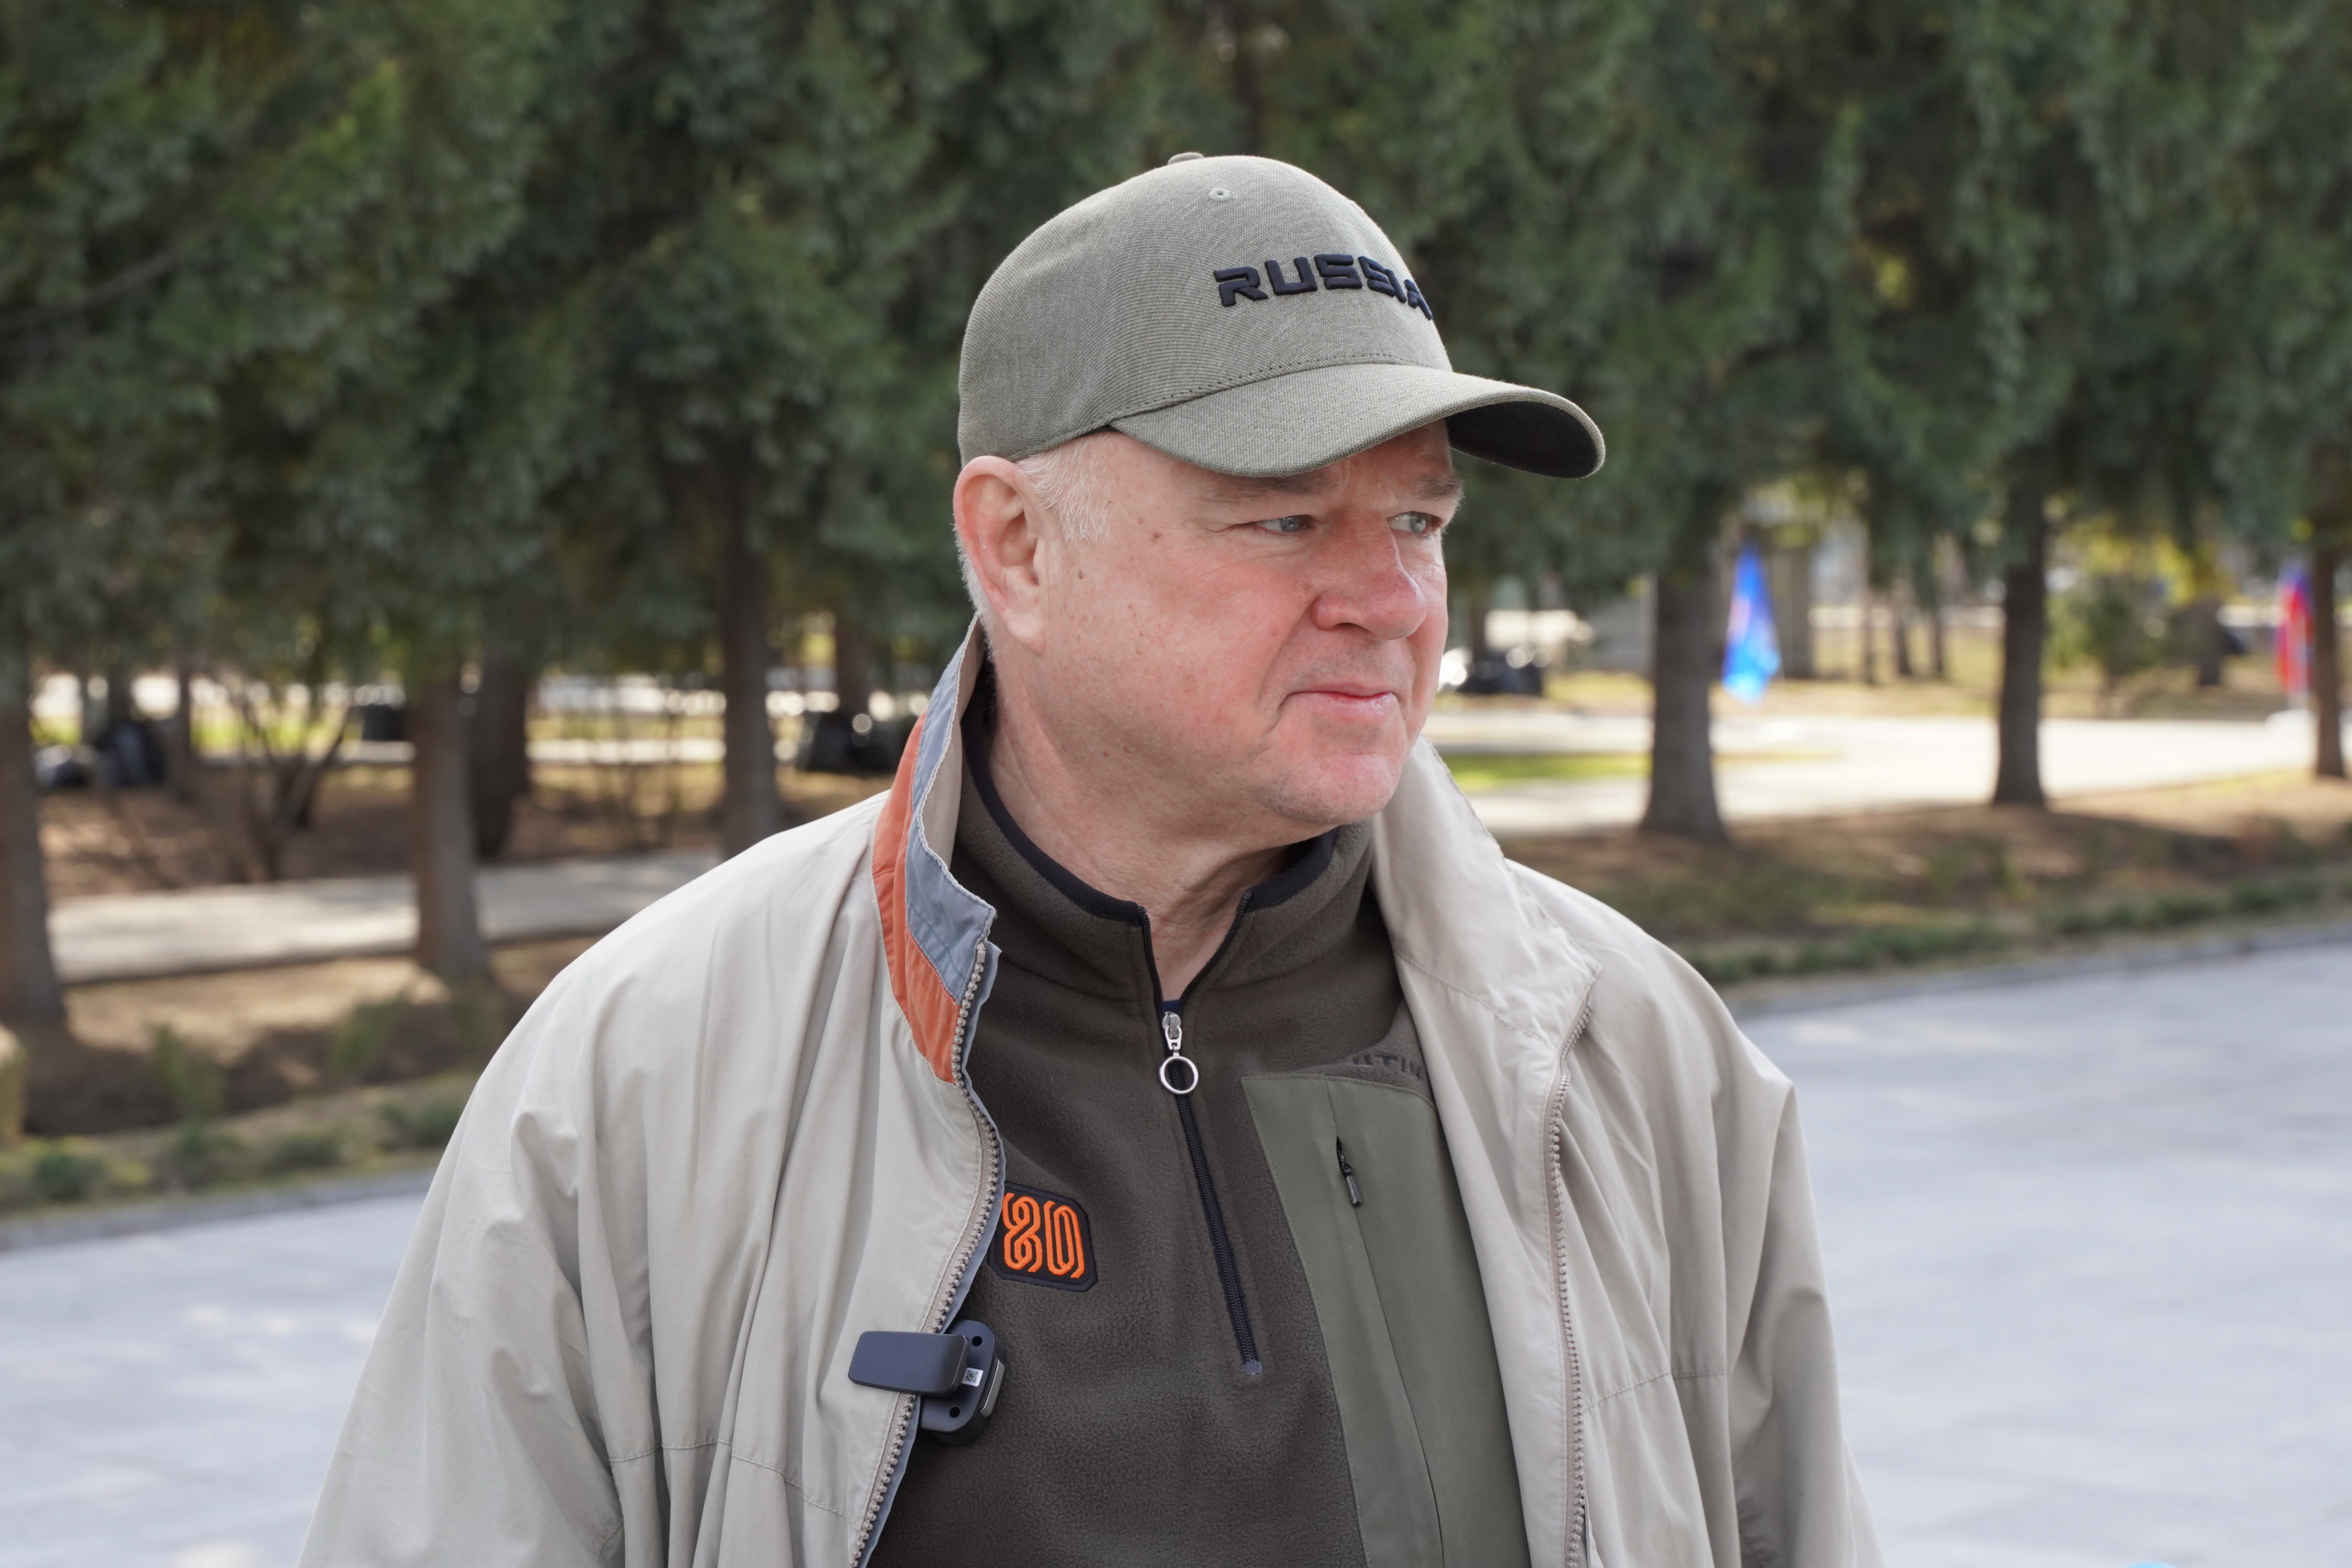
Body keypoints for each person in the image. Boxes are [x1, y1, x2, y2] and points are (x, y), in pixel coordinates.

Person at [303, 154, 1881, 1568]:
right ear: (1016, 546)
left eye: (1417, 521)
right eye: (1284, 522)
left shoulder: (1639, 1062)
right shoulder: (649, 1071)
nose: (1393, 601)